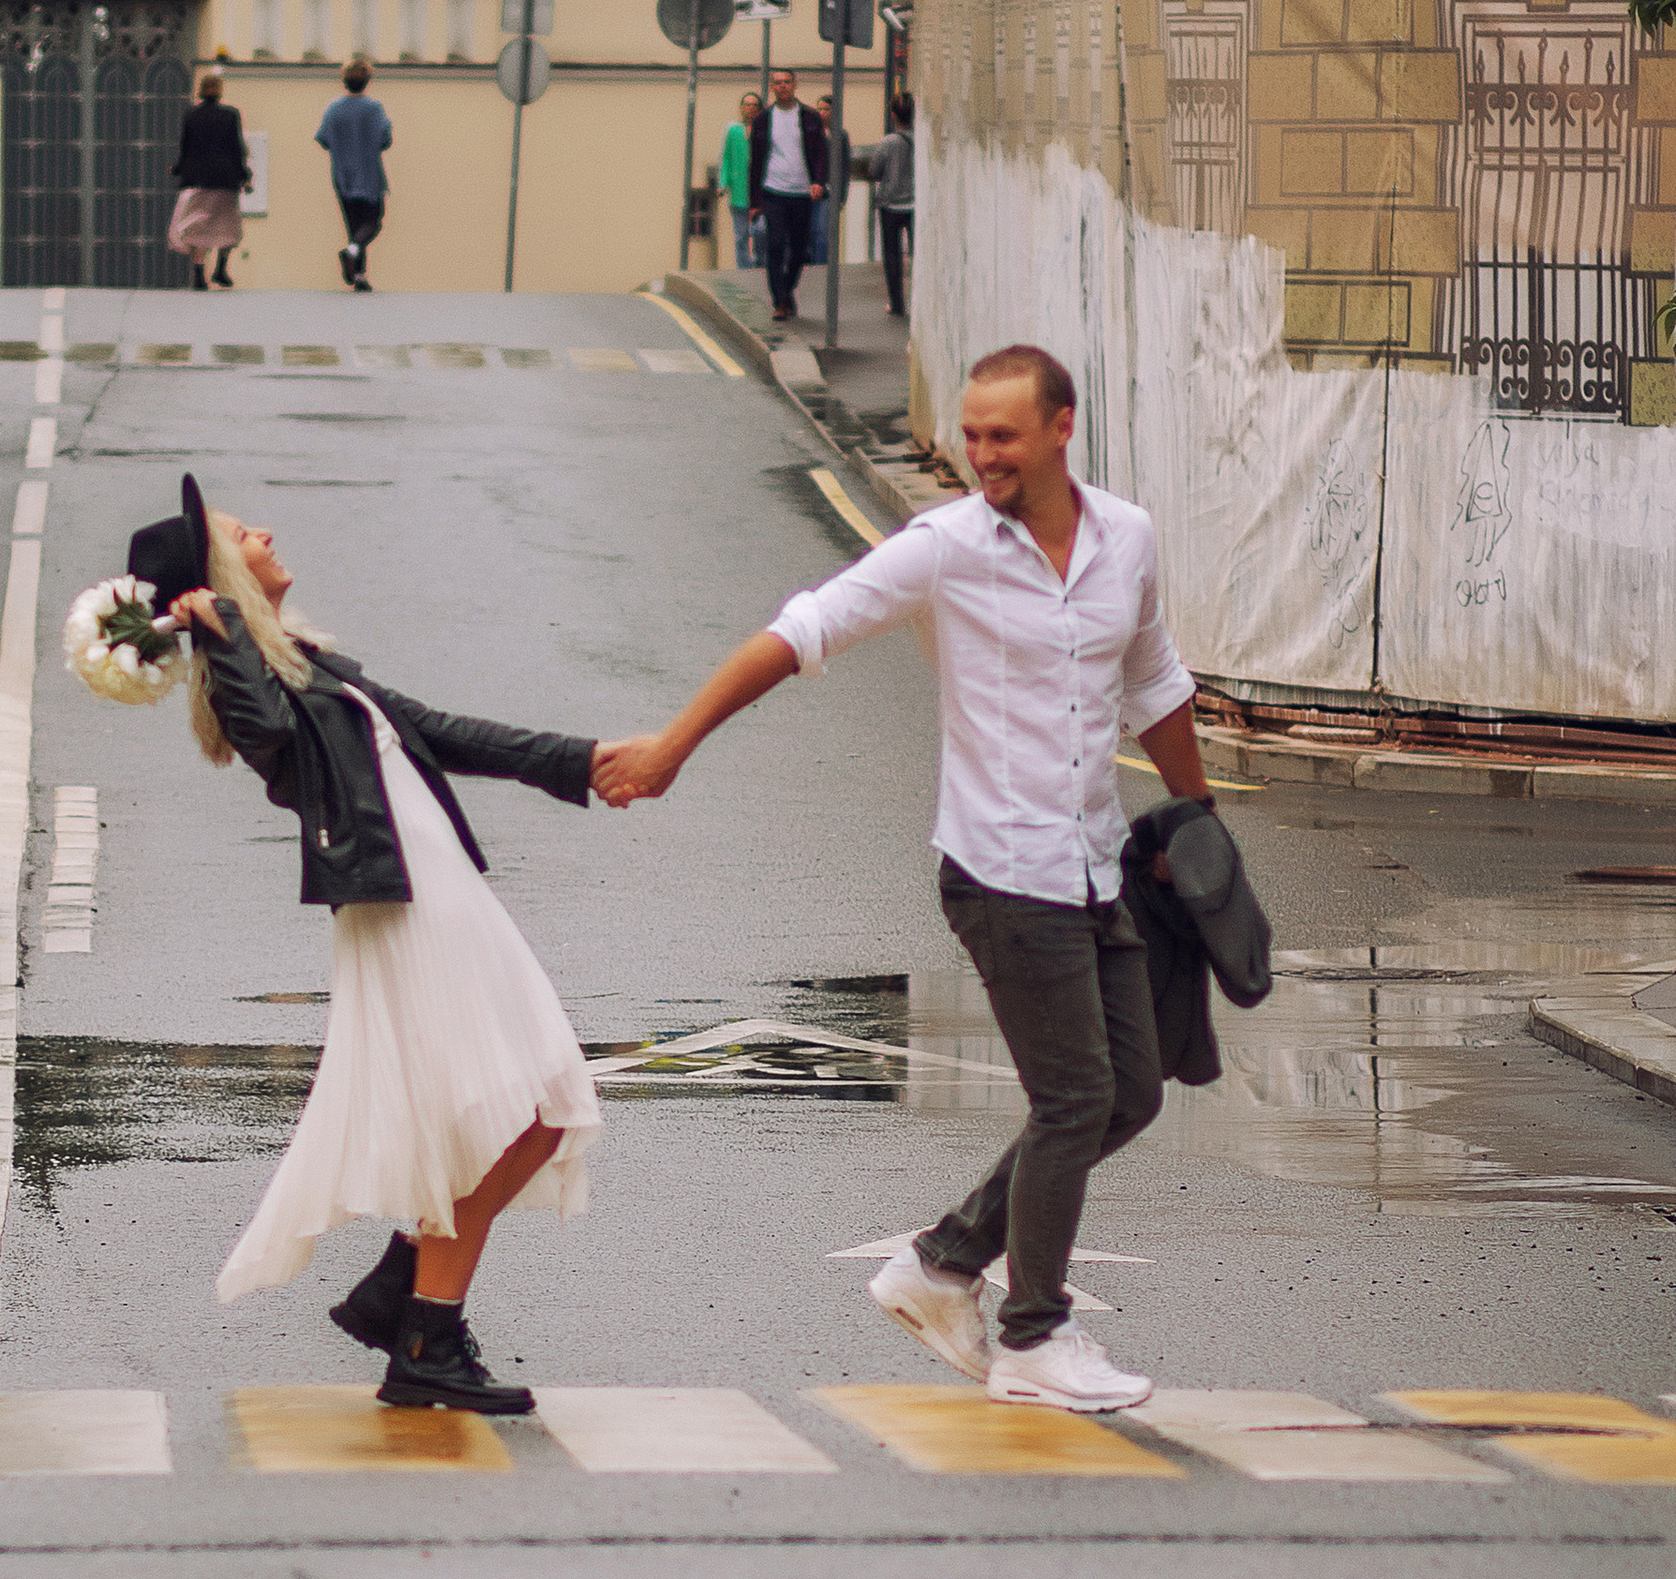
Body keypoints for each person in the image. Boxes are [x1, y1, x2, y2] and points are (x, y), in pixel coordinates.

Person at [595, 341, 1213, 1414]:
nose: (980, 456)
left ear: (1061, 429)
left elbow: (1153, 682)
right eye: (970, 437)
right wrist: (671, 746)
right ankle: (1032, 1338)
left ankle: (940, 1264)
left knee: (1132, 1092)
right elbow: (800, 632)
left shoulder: (1127, 540)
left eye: (1001, 437)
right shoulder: (945, 549)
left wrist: (1199, 824)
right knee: (1073, 1100)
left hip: (1095, 863)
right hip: (999, 874)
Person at [126, 475, 614, 1414]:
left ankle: (414, 1297)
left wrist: (582, 762)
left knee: (544, 1105)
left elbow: (439, 731)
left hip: (444, 897)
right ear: (223, 573)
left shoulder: (310, 664)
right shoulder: (255, 684)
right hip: (407, 911)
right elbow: (264, 733)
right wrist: (220, 633)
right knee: (528, 1104)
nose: (264, 530)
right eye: (241, 532)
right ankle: (424, 1326)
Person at [751, 67, 827, 328]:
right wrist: (754, 202)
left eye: (786, 82)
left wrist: (818, 182)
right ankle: (780, 301)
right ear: (772, 87)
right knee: (774, 245)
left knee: (799, 249)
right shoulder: (763, 120)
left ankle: (787, 288)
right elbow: (756, 162)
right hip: (773, 190)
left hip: (802, 192)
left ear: (795, 85)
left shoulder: (809, 117)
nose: (782, 86)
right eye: (777, 83)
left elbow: (819, 152)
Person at [168, 71, 251, 291]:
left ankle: (198, 273)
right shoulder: (230, 115)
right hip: (225, 180)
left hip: (197, 180)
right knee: (227, 225)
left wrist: (177, 170)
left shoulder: (191, 116)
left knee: (198, 227)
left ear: (201, 91)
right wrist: (245, 176)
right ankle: (221, 268)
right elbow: (236, 148)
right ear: (219, 91)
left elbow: (185, 147)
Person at [315, 56, 392, 289]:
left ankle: (359, 276)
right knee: (373, 221)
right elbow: (385, 139)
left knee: (354, 226)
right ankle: (353, 259)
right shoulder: (374, 109)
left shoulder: (334, 109)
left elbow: (323, 138)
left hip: (343, 175)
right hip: (369, 175)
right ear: (367, 81)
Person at [871, 90, 916, 320]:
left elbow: (874, 171)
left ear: (892, 115)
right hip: (915, 205)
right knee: (917, 254)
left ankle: (897, 303)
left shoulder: (888, 142)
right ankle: (919, 299)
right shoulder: (921, 140)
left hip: (890, 204)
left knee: (893, 255)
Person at [717, 89, 764, 272]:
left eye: (754, 105)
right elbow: (726, 157)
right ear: (742, 108)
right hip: (739, 190)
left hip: (760, 191)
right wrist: (723, 183)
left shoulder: (764, 129)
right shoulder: (733, 129)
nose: (751, 108)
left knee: (761, 231)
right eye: (747, 105)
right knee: (740, 234)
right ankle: (744, 268)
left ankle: (761, 263)